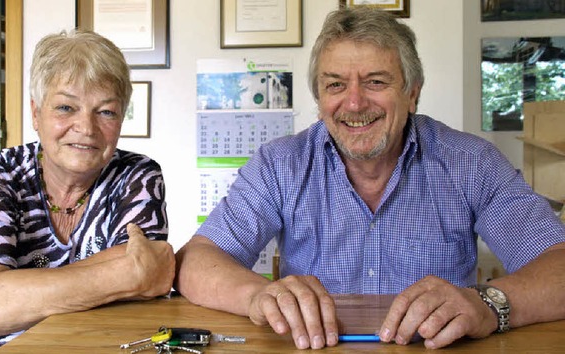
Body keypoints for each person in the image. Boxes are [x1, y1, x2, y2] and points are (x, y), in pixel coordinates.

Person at [174, 6, 565, 350]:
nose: (355, 103)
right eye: (335, 85)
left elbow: (558, 265)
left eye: (376, 81)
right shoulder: (280, 165)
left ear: (412, 93)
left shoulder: (471, 163)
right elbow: (196, 263)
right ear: (319, 99)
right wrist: (258, 297)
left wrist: (487, 304)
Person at [0, 29, 175, 353]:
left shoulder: (137, 175)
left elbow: (151, 283)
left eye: (106, 111)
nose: (86, 128)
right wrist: (128, 274)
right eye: (66, 108)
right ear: (35, 113)